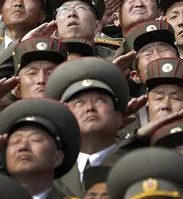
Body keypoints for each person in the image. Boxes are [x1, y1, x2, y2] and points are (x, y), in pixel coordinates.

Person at [44, 57, 129, 197]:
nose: (90, 108)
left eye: (99, 100)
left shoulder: (137, 164)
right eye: (79, 103)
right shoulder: (48, 171)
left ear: (118, 117)